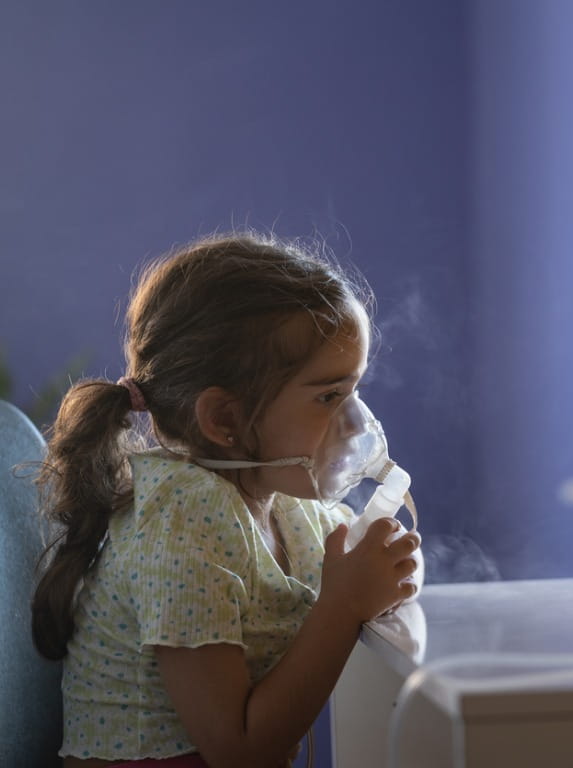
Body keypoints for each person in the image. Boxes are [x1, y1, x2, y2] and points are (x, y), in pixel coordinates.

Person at [30, 233, 423, 768]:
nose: (356, 422)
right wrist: (346, 603)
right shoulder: (183, 521)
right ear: (225, 421)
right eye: (329, 396)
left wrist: (393, 569)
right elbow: (239, 752)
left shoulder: (289, 502)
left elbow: (357, 563)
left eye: (353, 389)